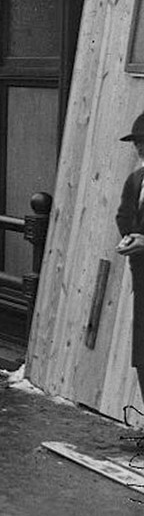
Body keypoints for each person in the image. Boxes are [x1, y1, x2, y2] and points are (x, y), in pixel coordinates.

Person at [114, 112, 144, 397]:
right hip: (142, 280)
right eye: (137, 143)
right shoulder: (135, 180)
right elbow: (123, 215)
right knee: (142, 356)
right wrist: (128, 237)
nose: (141, 148)